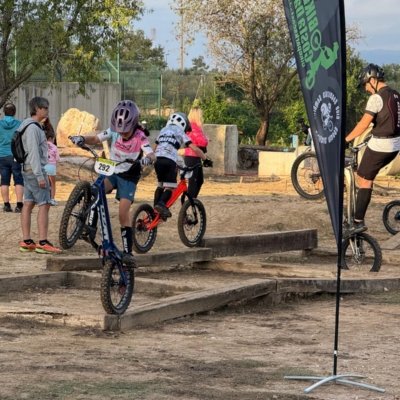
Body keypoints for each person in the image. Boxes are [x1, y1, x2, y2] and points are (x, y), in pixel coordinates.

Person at [70, 100, 155, 265]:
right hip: (112, 169)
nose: (122, 134)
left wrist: (147, 159)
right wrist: (81, 138)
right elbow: (96, 138)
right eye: (119, 130)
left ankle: (127, 252)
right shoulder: (115, 130)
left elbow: (152, 154)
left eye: (126, 131)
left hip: (129, 175)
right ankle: (90, 228)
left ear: (134, 124)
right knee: (96, 190)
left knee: (123, 212)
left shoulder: (140, 136)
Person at [345, 63, 400, 234]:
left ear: (373, 80)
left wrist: (346, 140)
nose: (366, 89)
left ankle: (357, 222)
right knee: (364, 176)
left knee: (364, 180)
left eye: (365, 85)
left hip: (381, 146)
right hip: (394, 146)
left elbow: (363, 124)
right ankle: (356, 213)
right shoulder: (396, 95)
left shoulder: (376, 98)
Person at [19, 96, 62, 254]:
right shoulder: (33, 128)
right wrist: (39, 176)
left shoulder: (26, 125)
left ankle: (27, 241)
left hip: (27, 169)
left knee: (28, 203)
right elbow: (33, 153)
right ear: (37, 109)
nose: (47, 111)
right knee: (44, 204)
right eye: (45, 108)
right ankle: (43, 242)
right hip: (35, 170)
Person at [153, 111, 211, 219]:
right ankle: (161, 205)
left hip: (157, 159)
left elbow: (155, 147)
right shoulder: (181, 132)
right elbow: (194, 148)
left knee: (160, 185)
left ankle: (154, 212)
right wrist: (205, 159)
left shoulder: (163, 130)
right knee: (171, 187)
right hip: (169, 160)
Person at [0, 102, 24, 213]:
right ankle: (19, 205)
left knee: (4, 181)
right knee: (18, 179)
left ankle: (6, 205)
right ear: (14, 112)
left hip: (2, 155)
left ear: (4, 112)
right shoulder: (20, 124)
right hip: (15, 155)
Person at [183, 107, 210, 198]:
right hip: (192, 157)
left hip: (194, 157)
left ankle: (192, 200)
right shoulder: (194, 127)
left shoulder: (192, 127)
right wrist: (206, 139)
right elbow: (202, 142)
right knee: (194, 181)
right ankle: (191, 200)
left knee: (197, 180)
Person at [43, 121, 60, 206]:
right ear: (51, 138)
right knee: (52, 184)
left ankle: (44, 199)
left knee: (44, 183)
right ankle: (52, 199)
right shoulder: (54, 147)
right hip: (51, 166)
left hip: (43, 165)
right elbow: (57, 159)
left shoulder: (42, 146)